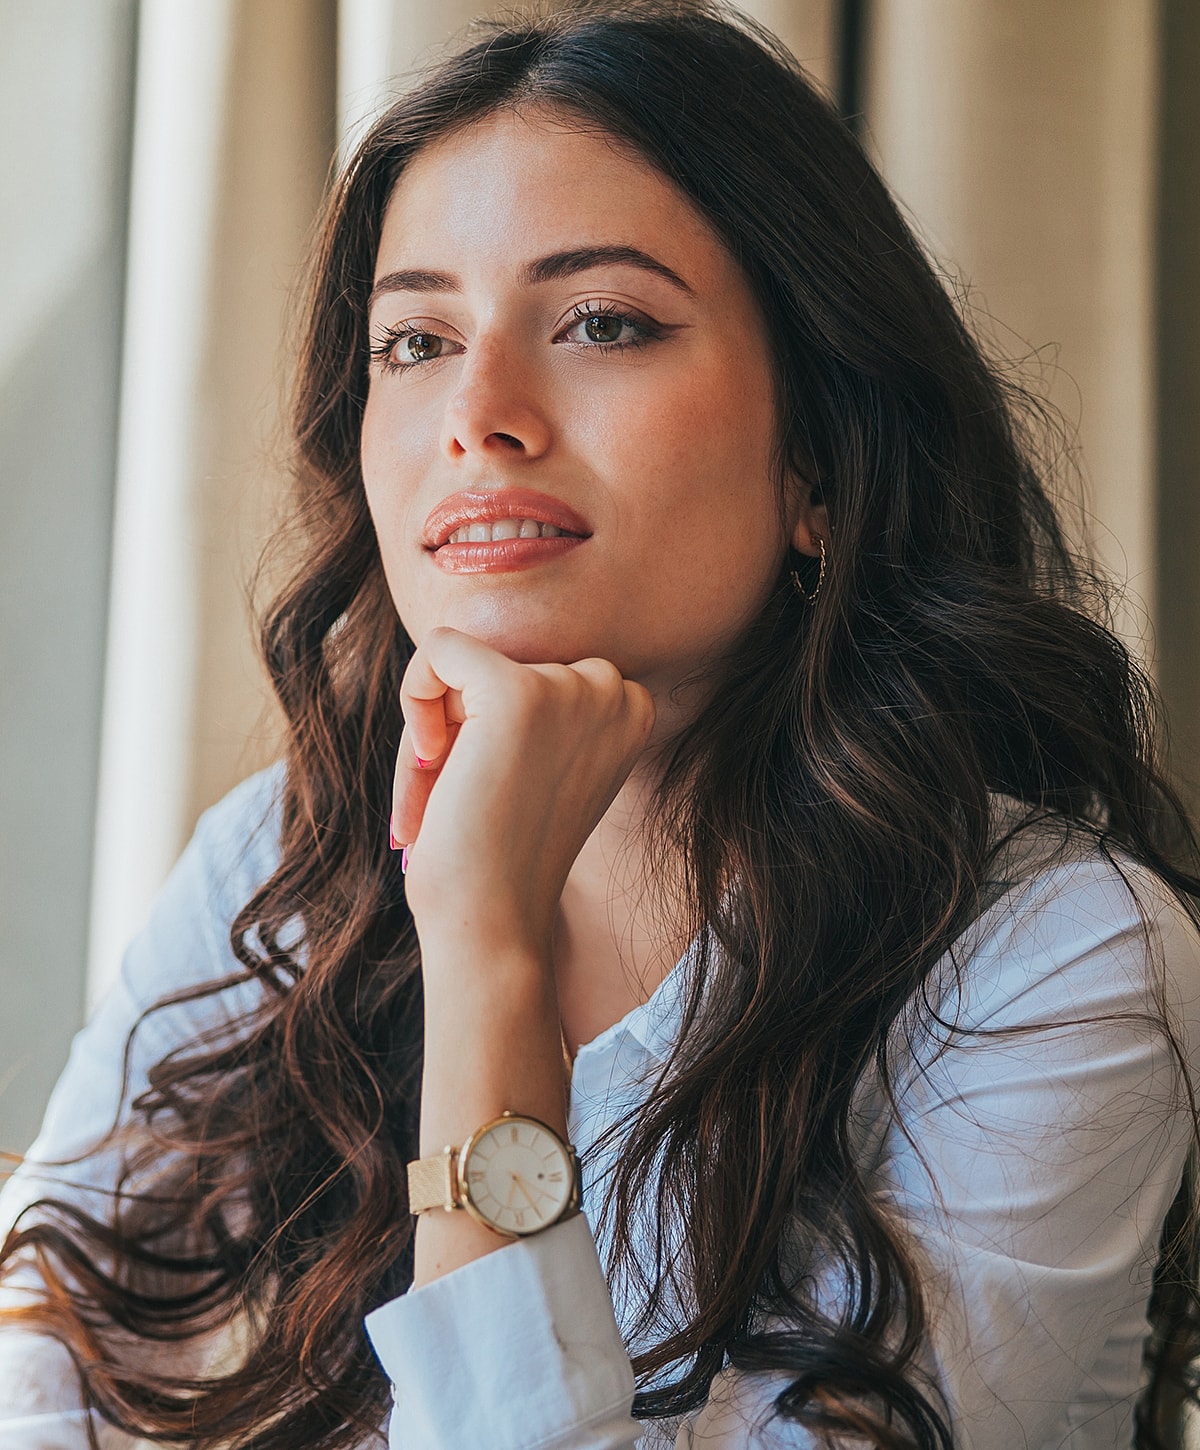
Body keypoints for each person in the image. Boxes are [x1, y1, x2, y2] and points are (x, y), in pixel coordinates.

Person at [3, 2, 1200, 1446]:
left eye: (602, 322)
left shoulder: (1059, 954)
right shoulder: (278, 857)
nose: (481, 415)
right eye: (416, 339)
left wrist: (489, 950)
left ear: (818, 459)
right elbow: (39, 1343)